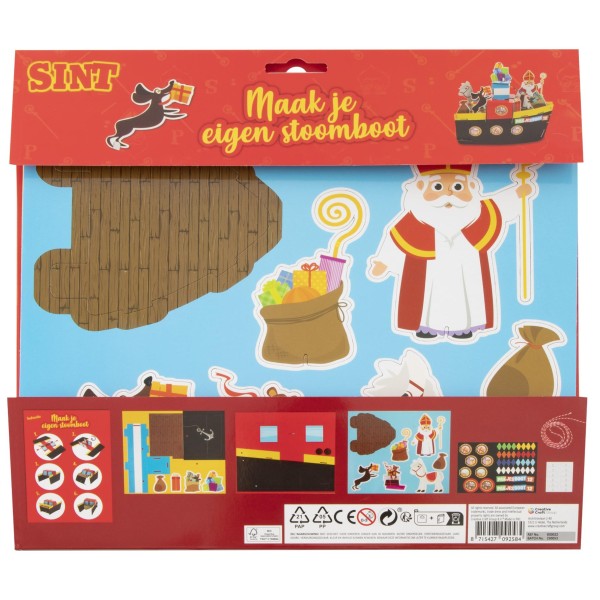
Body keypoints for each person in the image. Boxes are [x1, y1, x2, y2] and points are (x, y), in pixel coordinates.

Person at [368, 164, 531, 341]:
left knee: (465, 294)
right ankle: (426, 327)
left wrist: (517, 194)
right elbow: (395, 241)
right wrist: (383, 263)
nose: (448, 194)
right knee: (427, 297)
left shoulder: (479, 214)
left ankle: (463, 328)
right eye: (438, 186)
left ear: (471, 187)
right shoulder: (414, 222)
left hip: (466, 267)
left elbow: (500, 206)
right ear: (420, 187)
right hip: (428, 272)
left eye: (458, 187)